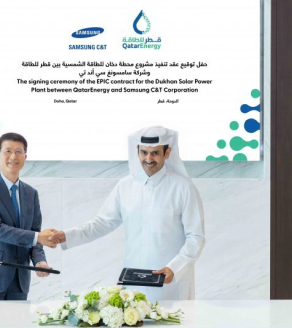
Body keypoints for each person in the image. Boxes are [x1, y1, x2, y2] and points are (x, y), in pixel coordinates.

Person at [51, 126, 205, 300]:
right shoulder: (125, 186)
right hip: (133, 284)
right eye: (144, 152)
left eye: (155, 153)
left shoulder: (183, 188)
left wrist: (175, 268)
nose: (148, 158)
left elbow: (196, 237)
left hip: (171, 285)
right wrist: (65, 235)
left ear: (167, 153)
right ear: (137, 152)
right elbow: (102, 223)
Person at [0, 132, 57, 300]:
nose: (13, 156)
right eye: (8, 151)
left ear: (25, 157)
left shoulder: (31, 193)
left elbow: (34, 232)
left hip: (19, 281)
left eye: (19, 151)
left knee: (18, 319)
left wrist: (39, 261)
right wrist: (38, 237)